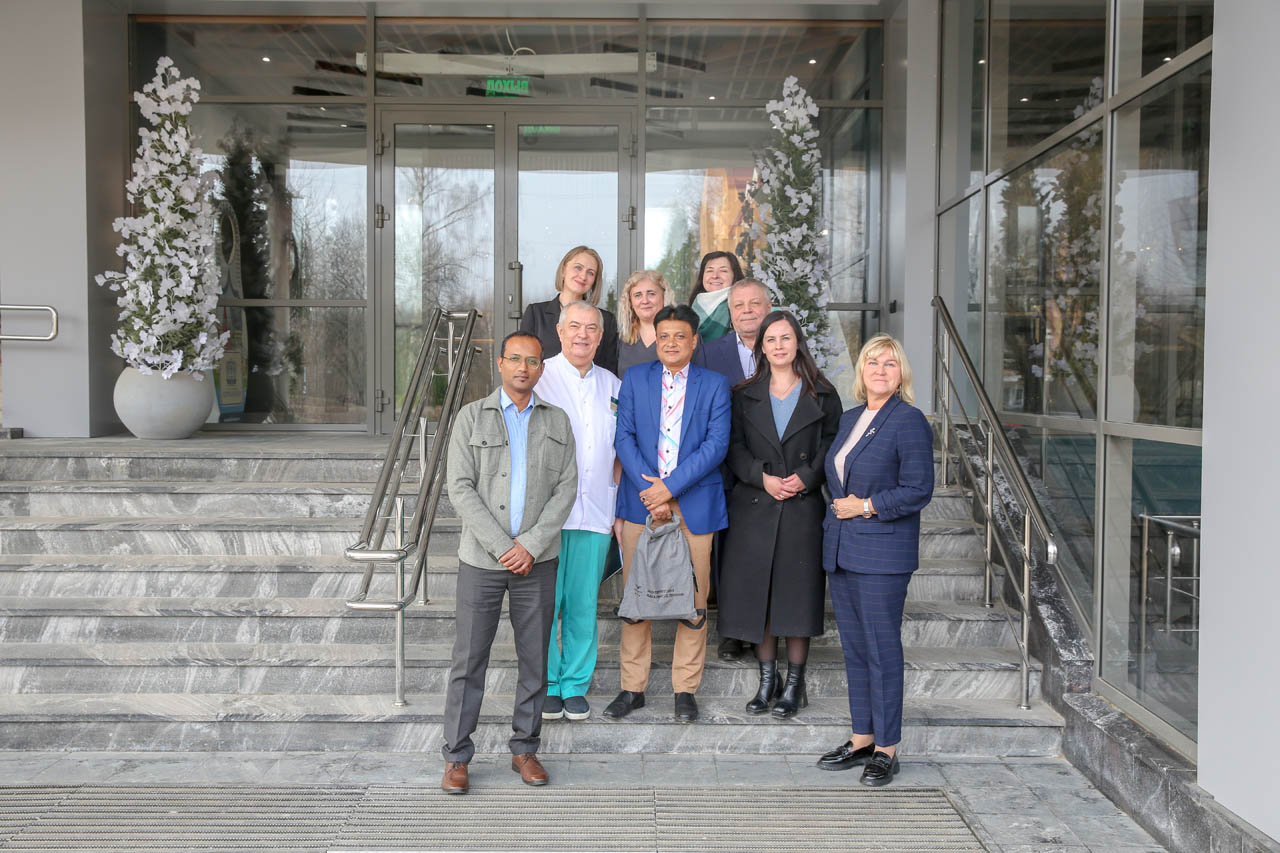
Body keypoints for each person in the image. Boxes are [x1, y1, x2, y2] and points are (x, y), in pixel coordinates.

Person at [441, 331, 578, 794]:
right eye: (515, 359)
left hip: (537, 561)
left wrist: (530, 545)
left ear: (542, 368)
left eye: (532, 361)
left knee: (535, 660)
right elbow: (459, 487)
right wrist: (503, 546)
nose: (523, 367)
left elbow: (567, 489)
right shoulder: (469, 417)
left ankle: (525, 749)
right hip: (481, 560)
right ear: (500, 364)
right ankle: (456, 756)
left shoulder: (557, 421)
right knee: (468, 660)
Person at [604, 304, 731, 724]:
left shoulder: (715, 385)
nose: (671, 343)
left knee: (693, 602)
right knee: (635, 597)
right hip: (641, 502)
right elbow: (623, 437)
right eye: (663, 336)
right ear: (655, 340)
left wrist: (670, 488)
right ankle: (632, 687)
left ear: (694, 341)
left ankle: (685, 689)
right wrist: (651, 491)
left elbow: (716, 445)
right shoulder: (635, 379)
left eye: (680, 336)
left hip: (694, 504)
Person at [818, 334, 934, 787]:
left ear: (901, 373)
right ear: (861, 371)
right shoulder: (850, 419)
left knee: (882, 651)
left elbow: (918, 489)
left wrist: (865, 506)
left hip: (883, 553)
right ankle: (862, 738)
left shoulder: (908, 420)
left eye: (889, 363)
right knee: (856, 650)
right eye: (872, 362)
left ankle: (887, 748)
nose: (880, 370)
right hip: (843, 550)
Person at [718, 310, 842, 718]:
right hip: (755, 506)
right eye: (770, 339)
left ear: (798, 342)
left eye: (785, 338)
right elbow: (733, 447)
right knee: (761, 597)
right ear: (762, 347)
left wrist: (806, 477)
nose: (778, 346)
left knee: (796, 597)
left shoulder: (823, 394)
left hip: (802, 508)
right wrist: (762, 477)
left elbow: (832, 445)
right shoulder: (744, 394)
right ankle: (766, 681)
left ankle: (794, 685)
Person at [532, 301, 622, 722]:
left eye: (591, 328)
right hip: (548, 515)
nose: (582, 335)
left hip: (597, 509)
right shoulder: (540, 376)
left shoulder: (613, 385)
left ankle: (575, 685)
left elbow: (621, 447)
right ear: (560, 331)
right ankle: (549, 683)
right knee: (547, 604)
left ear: (600, 337)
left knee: (584, 603)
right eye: (575, 327)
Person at [692, 278, 773, 661]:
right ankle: (731, 631)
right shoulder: (710, 353)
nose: (746, 311)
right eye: (738, 305)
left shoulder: (783, 347)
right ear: (730, 312)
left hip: (774, 470)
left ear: (768, 308)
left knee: (764, 555)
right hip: (725, 471)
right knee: (728, 555)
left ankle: (763, 631)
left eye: (754, 304)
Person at [520, 245, 620, 375]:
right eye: (578, 267)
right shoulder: (536, 314)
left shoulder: (606, 320)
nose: (583, 276)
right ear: (563, 270)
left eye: (590, 273)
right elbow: (523, 361)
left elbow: (609, 370)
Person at [616, 269, 676, 377]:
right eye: (637, 295)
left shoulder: (682, 335)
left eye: (651, 294)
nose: (645, 301)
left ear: (664, 297)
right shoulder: (622, 339)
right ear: (630, 302)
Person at [687, 251, 743, 342]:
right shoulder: (694, 306)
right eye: (709, 271)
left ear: (735, 275)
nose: (715, 276)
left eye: (723, 271)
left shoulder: (741, 304)